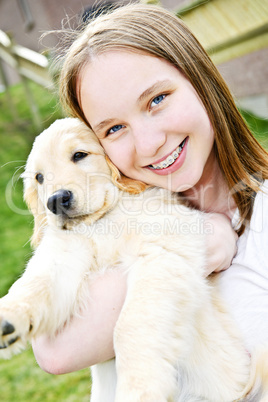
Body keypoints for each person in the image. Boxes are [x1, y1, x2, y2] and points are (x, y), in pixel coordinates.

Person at [32, 3, 268, 375]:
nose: (148, 144)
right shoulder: (110, 228)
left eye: (157, 100)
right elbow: (54, 350)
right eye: (114, 129)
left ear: (200, 79)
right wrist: (197, 244)